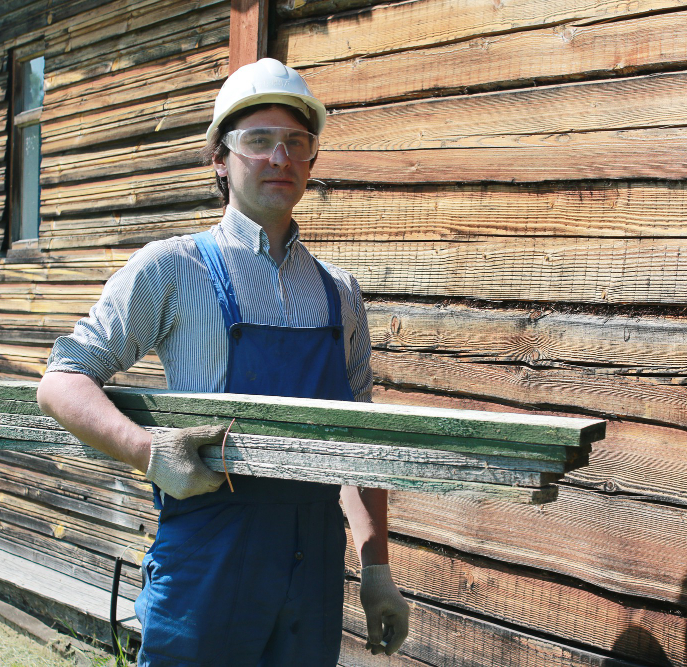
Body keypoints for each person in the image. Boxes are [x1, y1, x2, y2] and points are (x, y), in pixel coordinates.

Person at [36, 57, 410, 666]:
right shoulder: (174, 269)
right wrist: (149, 453)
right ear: (220, 157)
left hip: (312, 568)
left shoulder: (340, 293)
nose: (279, 158)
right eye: (257, 141)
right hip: (206, 560)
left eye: (297, 142)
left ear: (312, 158)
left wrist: (375, 569)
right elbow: (61, 382)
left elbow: (358, 439)